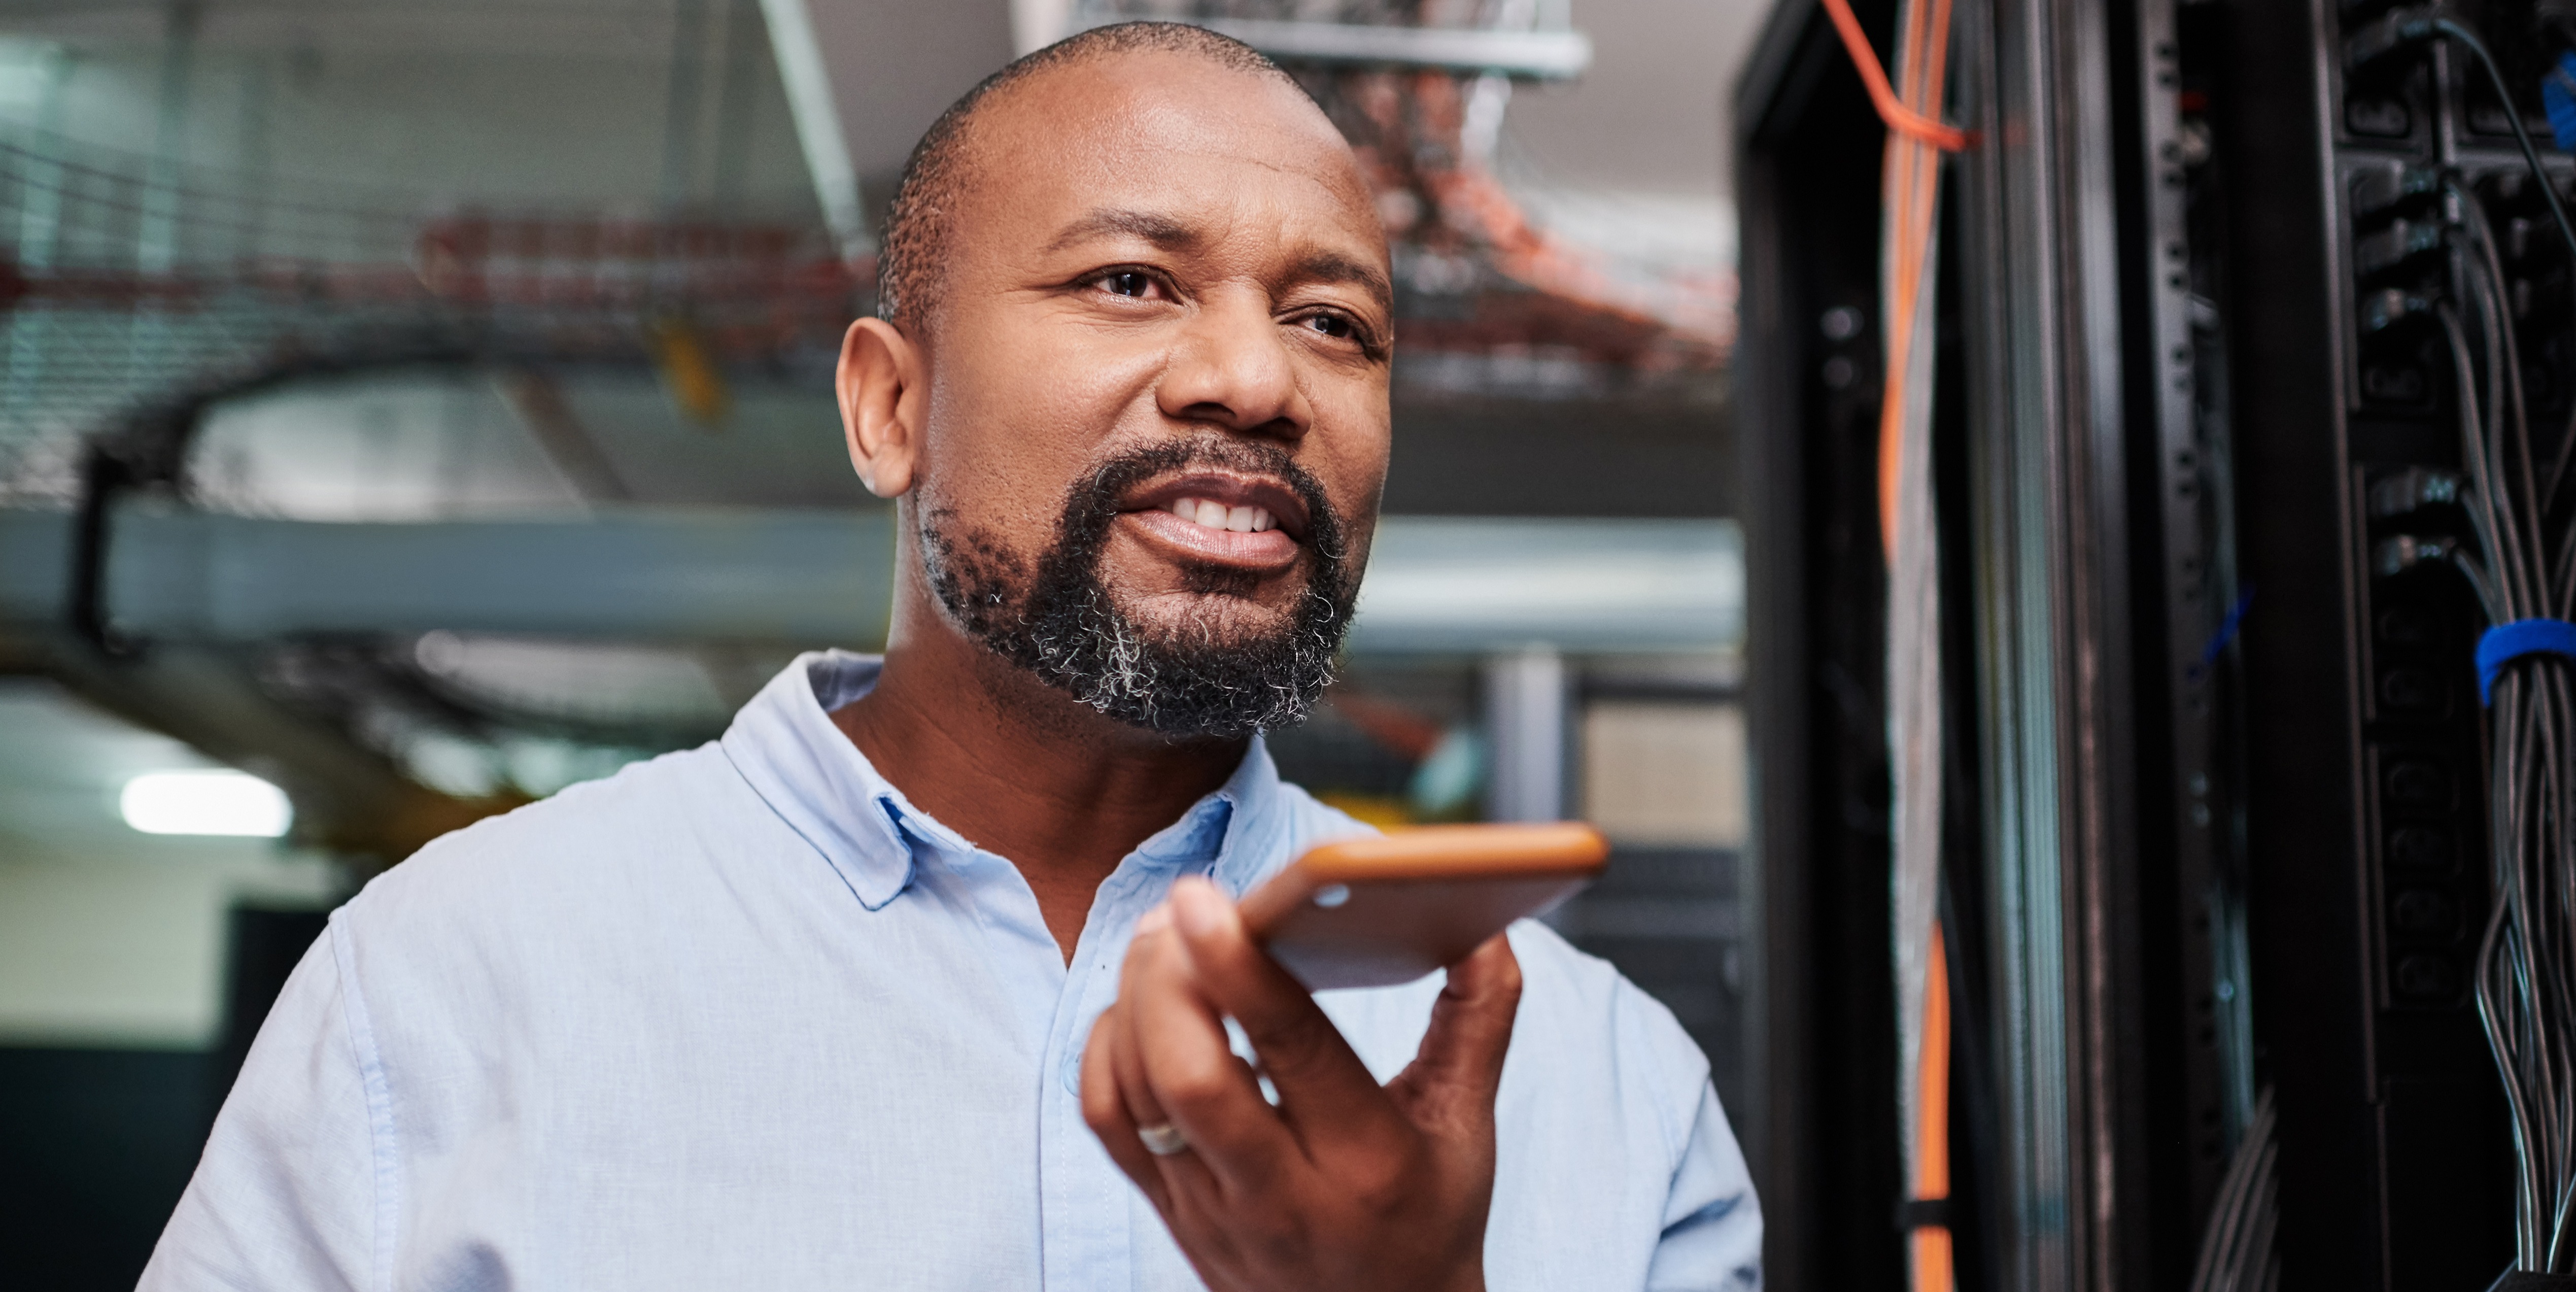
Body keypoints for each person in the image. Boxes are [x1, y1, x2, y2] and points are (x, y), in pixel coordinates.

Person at [140, 22, 1757, 1292]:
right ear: (887, 405)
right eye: (1132, 281)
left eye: (1335, 322)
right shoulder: (448, 984)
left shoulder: (1601, 1079)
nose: (1257, 377)